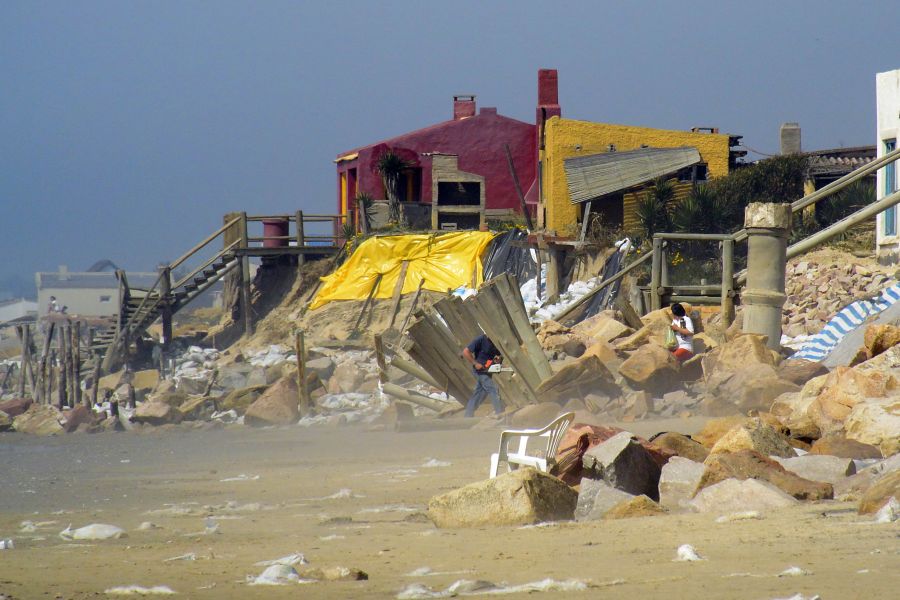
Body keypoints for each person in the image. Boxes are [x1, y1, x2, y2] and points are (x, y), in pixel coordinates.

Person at [462, 333, 503, 418]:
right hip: (479, 371)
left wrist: (498, 360)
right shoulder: (481, 339)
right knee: (493, 389)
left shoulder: (495, 342)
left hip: (487, 371)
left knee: (479, 394)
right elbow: (465, 352)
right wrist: (475, 363)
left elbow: (499, 356)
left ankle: (468, 416)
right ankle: (500, 413)